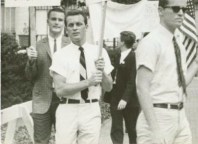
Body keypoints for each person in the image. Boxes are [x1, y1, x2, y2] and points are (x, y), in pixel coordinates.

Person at [135, 0, 198, 144]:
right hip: (157, 115)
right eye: (176, 9)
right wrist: (154, 129)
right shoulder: (151, 42)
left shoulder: (178, 41)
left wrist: (197, 62)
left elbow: (180, 82)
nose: (181, 13)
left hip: (179, 116)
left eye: (184, 9)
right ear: (161, 11)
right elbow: (141, 87)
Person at [49, 10, 114, 144]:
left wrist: (102, 72)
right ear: (66, 29)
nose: (75, 28)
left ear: (86, 26)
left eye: (79, 24)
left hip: (91, 108)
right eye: (71, 25)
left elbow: (108, 87)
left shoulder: (100, 52)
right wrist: (88, 82)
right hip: (67, 109)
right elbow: (60, 90)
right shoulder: (60, 55)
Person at [25, 8, 70, 144]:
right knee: (40, 141)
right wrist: (31, 61)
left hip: (66, 100)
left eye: (60, 20)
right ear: (47, 21)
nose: (56, 22)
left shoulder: (71, 45)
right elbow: (30, 77)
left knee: (65, 140)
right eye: (53, 19)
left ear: (64, 23)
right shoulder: (36, 45)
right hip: (42, 101)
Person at [108, 31, 140, 144]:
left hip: (130, 99)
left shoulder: (134, 57)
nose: (117, 41)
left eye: (118, 39)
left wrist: (125, 99)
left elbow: (132, 81)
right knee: (116, 128)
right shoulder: (115, 55)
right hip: (115, 96)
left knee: (132, 129)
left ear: (122, 42)